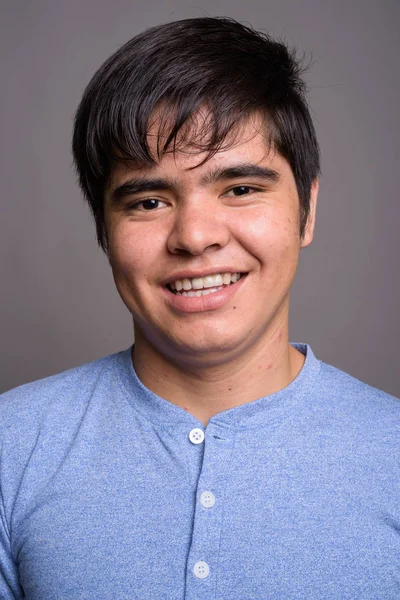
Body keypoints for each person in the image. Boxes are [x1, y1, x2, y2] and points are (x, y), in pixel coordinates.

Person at [0, 16, 399, 600]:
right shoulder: (11, 446)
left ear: (307, 211)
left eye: (240, 189)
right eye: (149, 200)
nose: (194, 236)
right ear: (104, 230)